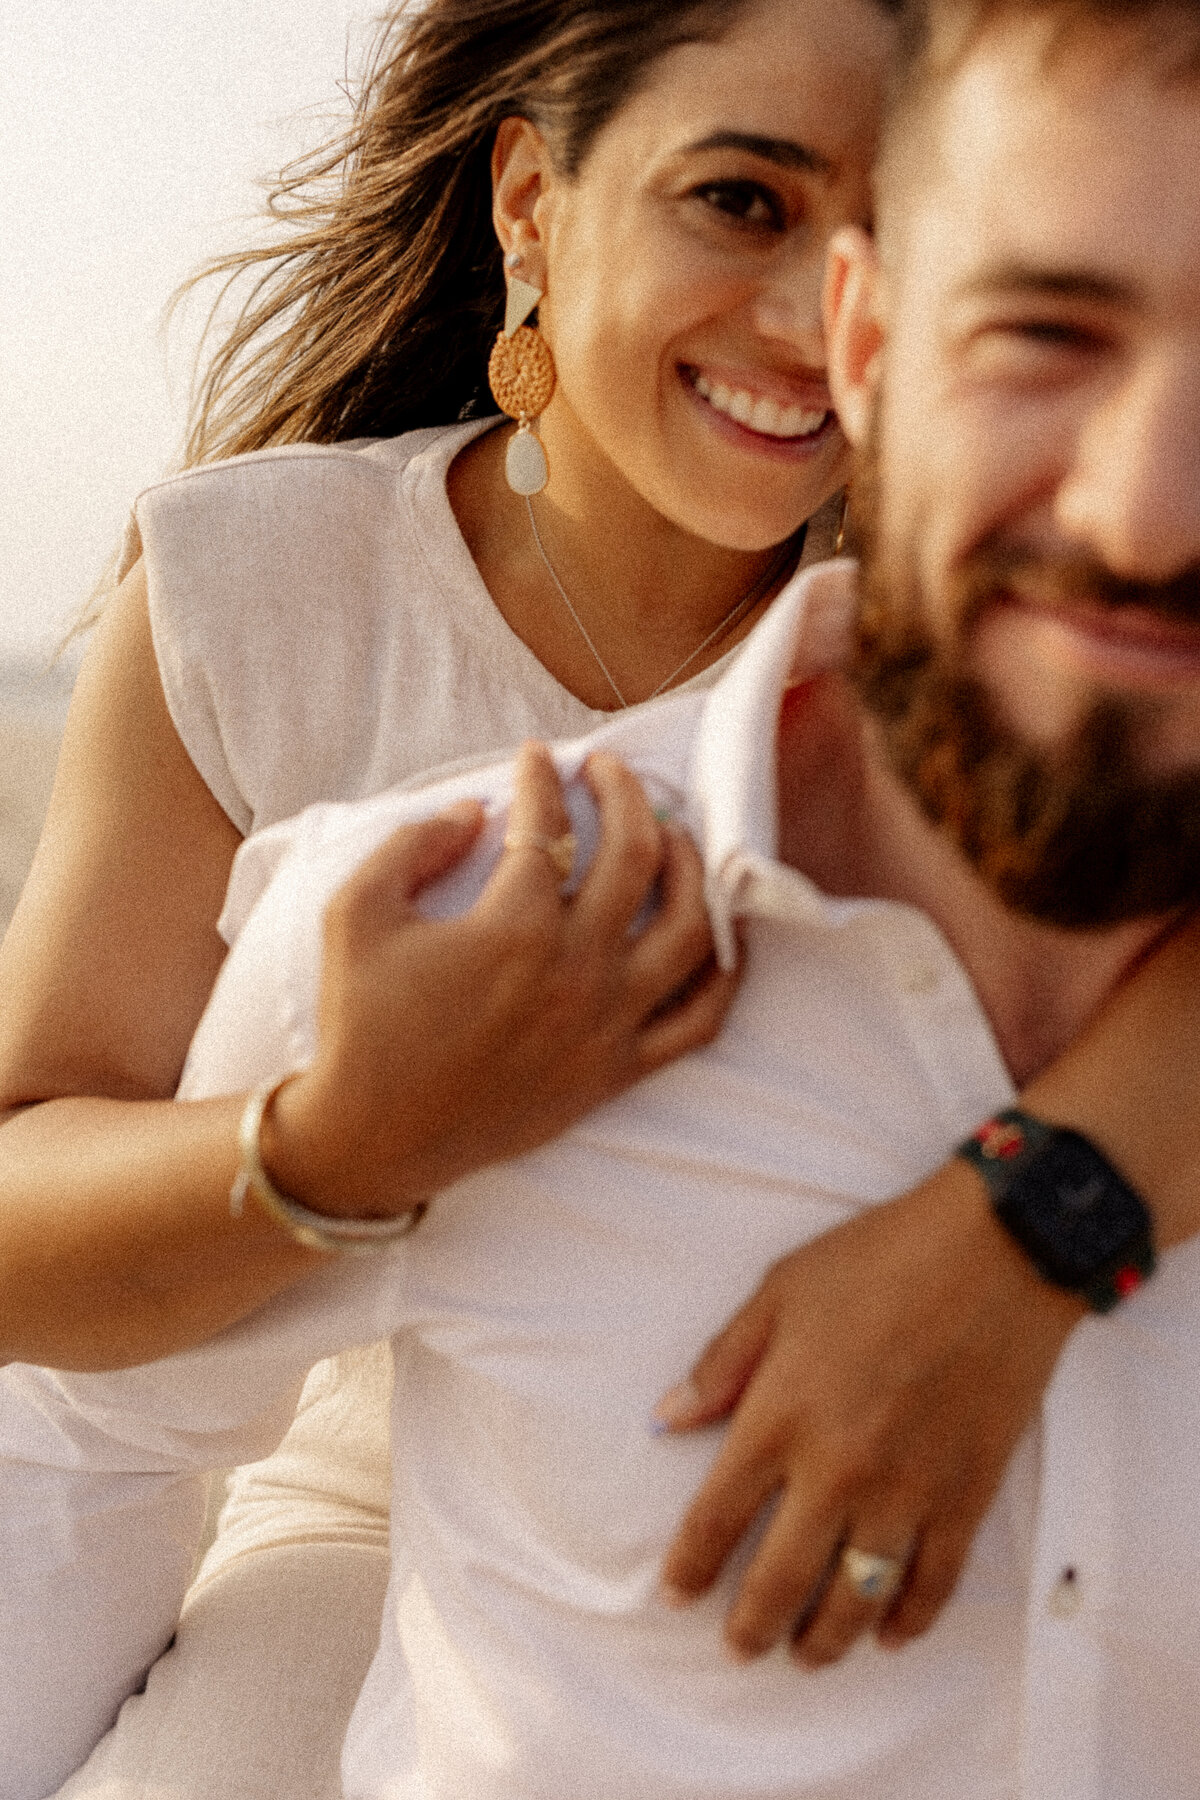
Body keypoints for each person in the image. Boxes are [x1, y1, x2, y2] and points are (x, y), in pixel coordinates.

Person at [4, 0, 1200, 1793]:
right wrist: (348, 1135)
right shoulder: (268, 588)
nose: (810, 318)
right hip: (339, 1455)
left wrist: (1013, 1234)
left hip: (830, 1444)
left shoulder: (1016, 604)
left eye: (889, 227)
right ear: (534, 204)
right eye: (741, 201)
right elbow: (36, 1193)